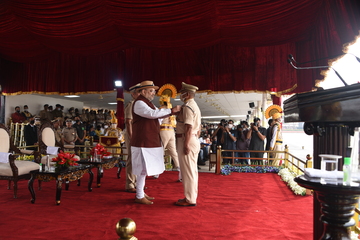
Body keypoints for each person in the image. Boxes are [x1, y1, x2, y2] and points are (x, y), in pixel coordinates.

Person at [131, 80, 181, 205]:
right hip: (142, 141)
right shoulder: (139, 103)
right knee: (141, 169)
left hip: (149, 139)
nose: (154, 93)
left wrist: (166, 115)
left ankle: (140, 192)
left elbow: (156, 118)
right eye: (151, 90)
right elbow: (152, 114)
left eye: (154, 90)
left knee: (143, 169)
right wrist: (171, 110)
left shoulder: (149, 104)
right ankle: (139, 195)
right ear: (143, 91)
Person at [175, 82, 201, 207]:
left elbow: (189, 127)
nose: (181, 95)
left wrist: (186, 145)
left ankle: (190, 199)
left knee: (188, 172)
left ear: (188, 94)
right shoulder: (194, 106)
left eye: (183, 92)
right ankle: (191, 196)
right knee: (192, 171)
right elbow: (198, 127)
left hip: (187, 139)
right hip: (193, 139)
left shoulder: (188, 107)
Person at [124, 83, 140, 193]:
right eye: (138, 92)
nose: (140, 94)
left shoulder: (139, 104)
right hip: (132, 134)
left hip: (138, 134)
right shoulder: (131, 104)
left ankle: (137, 183)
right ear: (133, 94)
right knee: (132, 159)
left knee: (138, 160)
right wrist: (131, 136)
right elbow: (128, 122)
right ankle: (130, 184)